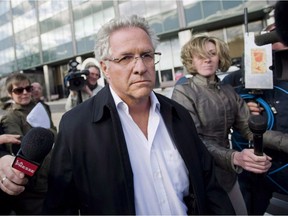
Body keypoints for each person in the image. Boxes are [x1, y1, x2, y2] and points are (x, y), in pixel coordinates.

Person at [43, 15, 235, 215]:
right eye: (126, 58)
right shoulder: (76, 126)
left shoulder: (177, 114)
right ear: (105, 68)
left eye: (147, 55)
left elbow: (209, 188)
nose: (141, 68)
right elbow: (60, 206)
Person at [171, 34, 272, 215]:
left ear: (220, 57)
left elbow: (249, 129)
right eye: (200, 55)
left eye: (212, 53)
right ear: (191, 60)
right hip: (202, 174)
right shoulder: (183, 92)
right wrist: (235, 157)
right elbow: (195, 140)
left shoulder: (228, 90)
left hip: (228, 174)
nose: (207, 59)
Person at [222, 22, 288, 214]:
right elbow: (219, 112)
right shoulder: (236, 79)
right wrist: (241, 106)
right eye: (272, 33)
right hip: (249, 169)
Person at [0, 73, 57, 214]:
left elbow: (55, 132)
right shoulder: (9, 116)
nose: (25, 93)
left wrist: (47, 134)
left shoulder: (42, 107)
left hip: (53, 172)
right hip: (32, 183)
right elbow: (16, 143)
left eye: (28, 88)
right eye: (19, 90)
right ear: (10, 94)